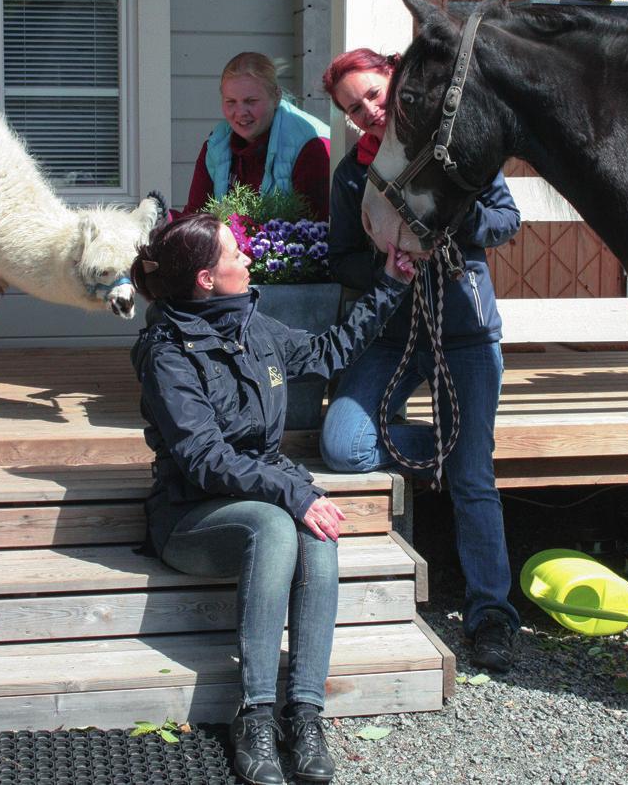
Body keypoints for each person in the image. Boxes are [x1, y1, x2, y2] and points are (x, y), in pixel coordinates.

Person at [130, 213, 415, 785]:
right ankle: (256, 714)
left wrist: (392, 282)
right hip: (192, 515)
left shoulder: (252, 326)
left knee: (315, 528)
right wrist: (293, 490)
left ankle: (306, 714)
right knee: (279, 525)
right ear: (208, 279)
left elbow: (328, 352)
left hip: (259, 490)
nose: (250, 258)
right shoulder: (167, 353)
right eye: (237, 252)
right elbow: (204, 458)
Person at [320, 47, 522, 674]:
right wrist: (383, 267)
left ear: (396, 84)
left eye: (375, 95)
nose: (369, 111)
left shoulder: (454, 147)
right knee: (343, 445)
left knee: (471, 481)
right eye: (355, 108)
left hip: (463, 330)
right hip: (392, 333)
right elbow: (341, 257)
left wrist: (453, 224)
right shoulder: (354, 175)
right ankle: (457, 445)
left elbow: (505, 219)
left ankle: (492, 614)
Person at [179, 51, 331, 220]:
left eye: (251, 101)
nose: (241, 112)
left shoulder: (312, 145)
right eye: (231, 102)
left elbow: (317, 228)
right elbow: (195, 217)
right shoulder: (216, 144)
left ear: (276, 96)